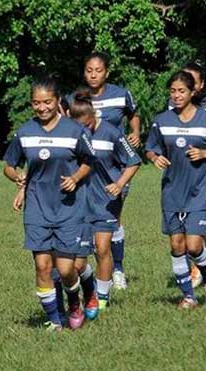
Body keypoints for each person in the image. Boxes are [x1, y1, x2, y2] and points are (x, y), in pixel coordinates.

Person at [3, 76, 96, 331]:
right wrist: (17, 177)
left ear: (57, 102)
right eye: (36, 103)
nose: (41, 108)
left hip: (68, 207)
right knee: (43, 266)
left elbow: (89, 161)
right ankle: (55, 320)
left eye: (47, 102)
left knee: (67, 270)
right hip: (37, 208)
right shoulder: (24, 133)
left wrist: (76, 177)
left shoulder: (75, 131)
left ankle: (74, 302)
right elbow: (9, 166)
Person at [145, 71, 206, 309]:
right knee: (176, 245)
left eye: (181, 91)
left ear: (192, 93)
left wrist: (204, 153)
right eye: (173, 91)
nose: (176, 95)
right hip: (172, 190)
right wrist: (154, 157)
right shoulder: (162, 120)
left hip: (201, 190)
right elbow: (150, 148)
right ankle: (188, 296)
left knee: (194, 245)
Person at [68, 89, 141, 314]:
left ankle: (102, 298)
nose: (85, 131)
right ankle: (88, 291)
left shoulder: (112, 133)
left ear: (93, 116)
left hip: (105, 200)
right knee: (78, 262)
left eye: (88, 125)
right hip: (77, 202)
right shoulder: (70, 133)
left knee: (101, 249)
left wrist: (119, 184)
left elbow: (133, 161)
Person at [82, 52, 141, 290]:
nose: (93, 74)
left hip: (115, 168)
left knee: (113, 219)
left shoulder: (121, 94)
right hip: (86, 171)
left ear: (107, 72)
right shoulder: (76, 98)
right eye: (88, 70)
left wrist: (135, 132)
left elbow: (133, 114)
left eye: (98, 70)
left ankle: (117, 269)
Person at [167, 62, 206, 288]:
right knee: (186, 231)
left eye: (191, 80)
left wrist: (205, 153)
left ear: (199, 86)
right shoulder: (172, 109)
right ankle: (199, 270)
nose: (185, 83)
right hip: (182, 181)